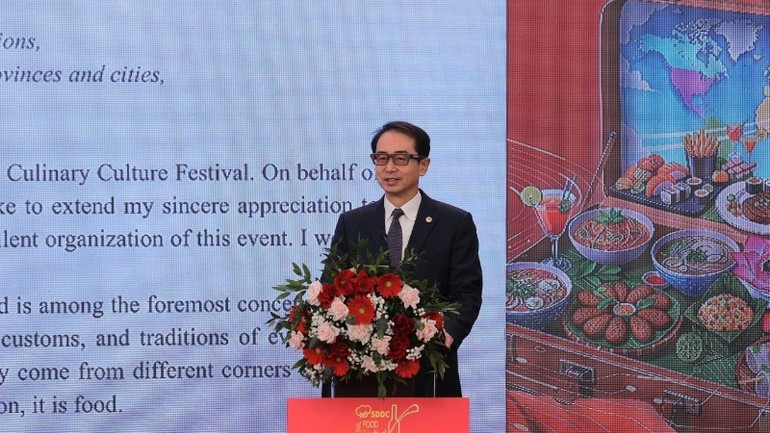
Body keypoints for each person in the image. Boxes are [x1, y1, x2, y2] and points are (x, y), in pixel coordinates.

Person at [326, 120, 483, 397]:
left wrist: (447, 333)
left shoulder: (454, 223)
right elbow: (331, 288)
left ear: (423, 165)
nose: (389, 168)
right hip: (361, 376)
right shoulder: (353, 223)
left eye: (400, 158)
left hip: (428, 371)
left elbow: (467, 292)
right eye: (381, 158)